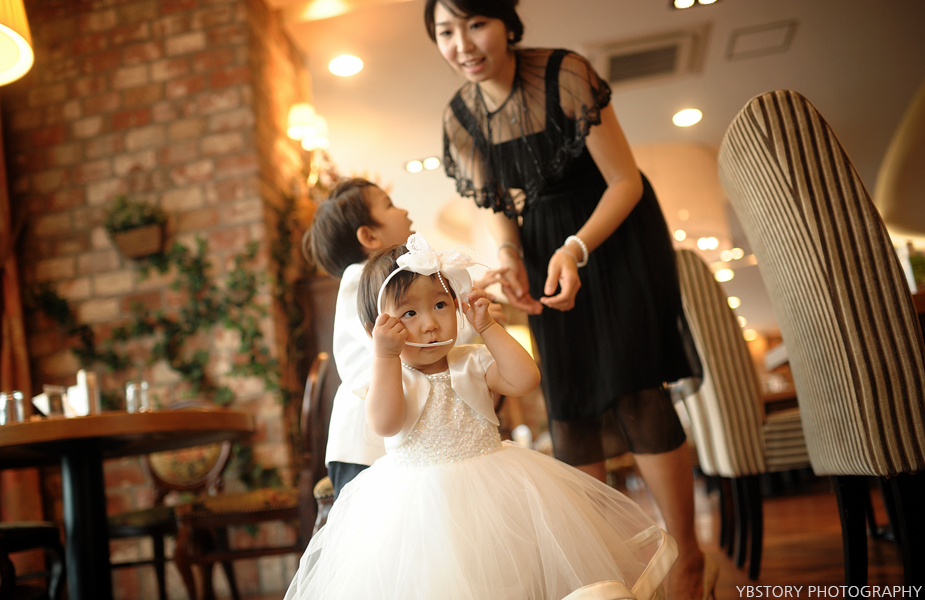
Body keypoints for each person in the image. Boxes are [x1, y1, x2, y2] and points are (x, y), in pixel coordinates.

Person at [424, 2, 712, 599]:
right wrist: (509, 254)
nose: (462, 45)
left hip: (614, 235)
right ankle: (605, 571)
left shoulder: (565, 73)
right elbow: (500, 205)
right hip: (541, 245)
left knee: (637, 388)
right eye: (445, 32)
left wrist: (575, 249)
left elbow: (626, 181)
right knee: (571, 399)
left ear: (505, 23)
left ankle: (688, 556)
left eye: (474, 24)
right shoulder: (460, 116)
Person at [284, 234, 677, 600]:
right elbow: (384, 424)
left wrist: (488, 327)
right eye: (409, 313)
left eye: (440, 305)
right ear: (377, 329)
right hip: (419, 509)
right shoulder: (390, 375)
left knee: (511, 577)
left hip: (495, 491)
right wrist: (384, 355)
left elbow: (525, 379)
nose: (429, 323)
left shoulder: (470, 360)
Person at [307, 178, 505, 498]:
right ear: (368, 236)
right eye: (389, 205)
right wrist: (472, 325)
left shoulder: (391, 282)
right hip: (364, 443)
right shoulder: (361, 278)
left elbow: (421, 317)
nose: (404, 211)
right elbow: (403, 339)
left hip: (405, 432)